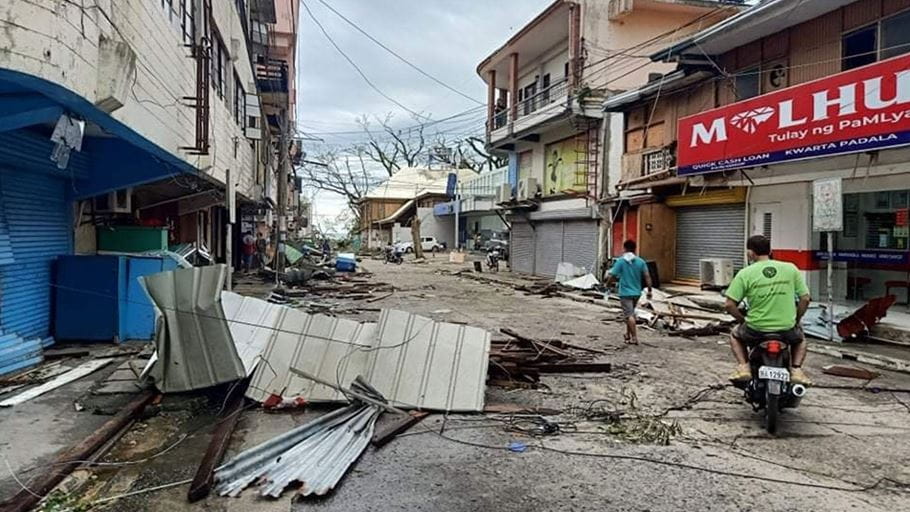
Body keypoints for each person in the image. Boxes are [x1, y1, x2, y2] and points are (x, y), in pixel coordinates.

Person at [725, 235, 812, 385]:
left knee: (735, 335)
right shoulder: (790, 268)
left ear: (751, 253)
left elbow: (729, 304)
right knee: (800, 338)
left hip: (756, 329)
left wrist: (742, 320)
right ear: (770, 251)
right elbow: (805, 298)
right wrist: (796, 320)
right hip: (786, 328)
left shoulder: (745, 273)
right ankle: (796, 370)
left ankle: (744, 367)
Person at [605, 240, 652, 345]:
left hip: (625, 293)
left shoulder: (621, 262)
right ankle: (627, 334)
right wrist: (649, 290)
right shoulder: (641, 262)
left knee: (629, 315)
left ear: (624, 248)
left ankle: (634, 337)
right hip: (637, 292)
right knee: (629, 314)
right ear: (635, 249)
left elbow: (612, 275)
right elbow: (647, 276)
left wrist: (607, 285)